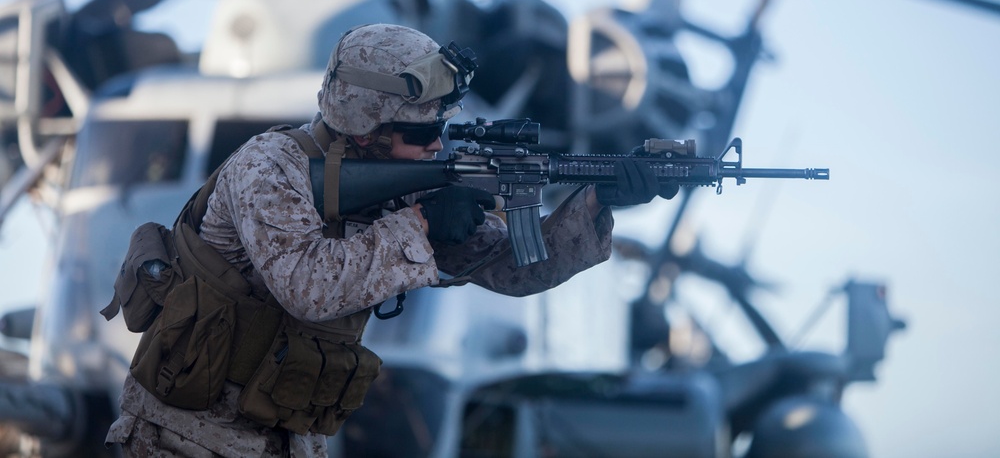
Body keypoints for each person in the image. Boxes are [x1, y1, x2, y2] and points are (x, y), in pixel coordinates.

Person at [105, 23, 677, 457]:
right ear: (364, 120)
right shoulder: (269, 165)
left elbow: (512, 269)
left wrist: (599, 201)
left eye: (442, 131)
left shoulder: (406, 185)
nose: (437, 146)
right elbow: (306, 286)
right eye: (422, 132)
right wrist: (425, 227)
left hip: (281, 441)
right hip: (179, 439)